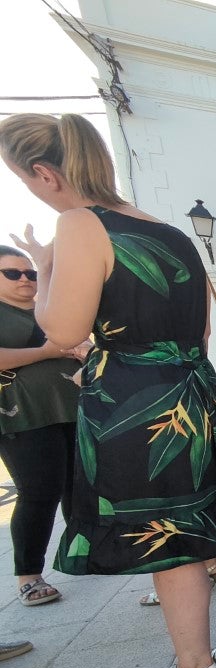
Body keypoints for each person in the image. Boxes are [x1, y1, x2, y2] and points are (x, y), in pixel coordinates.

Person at [1, 112, 216, 668]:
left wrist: (45, 266)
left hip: (138, 401)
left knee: (167, 530)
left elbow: (62, 329)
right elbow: (200, 335)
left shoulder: (80, 224)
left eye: (22, 180)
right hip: (193, 388)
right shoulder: (172, 232)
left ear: (44, 173)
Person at [0, 244, 82, 606]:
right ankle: (29, 575)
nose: (24, 279)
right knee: (38, 491)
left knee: (80, 487)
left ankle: (85, 554)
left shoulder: (47, 309)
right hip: (23, 415)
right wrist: (46, 352)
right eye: (12, 273)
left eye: (30, 273)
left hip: (72, 407)